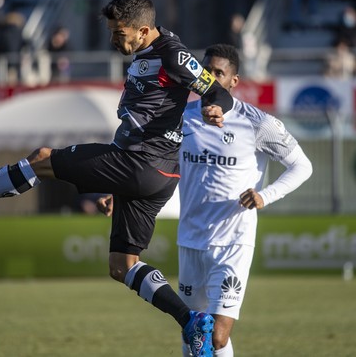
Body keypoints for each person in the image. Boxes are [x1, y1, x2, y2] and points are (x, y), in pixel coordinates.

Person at [0, 0, 236, 357]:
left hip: (140, 161)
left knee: (43, 159)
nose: (114, 40)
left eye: (120, 33)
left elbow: (219, 92)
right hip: (154, 175)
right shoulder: (152, 48)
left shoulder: (172, 54)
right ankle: (191, 321)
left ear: (144, 31)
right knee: (121, 265)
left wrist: (213, 107)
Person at [98, 44, 313, 356]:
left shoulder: (257, 123)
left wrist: (265, 195)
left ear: (233, 82)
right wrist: (122, 196)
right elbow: (151, 165)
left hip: (233, 242)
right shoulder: (180, 119)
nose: (210, 79)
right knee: (193, 331)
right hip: (192, 240)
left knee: (217, 337)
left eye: (219, 73)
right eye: (205, 71)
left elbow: (302, 165)